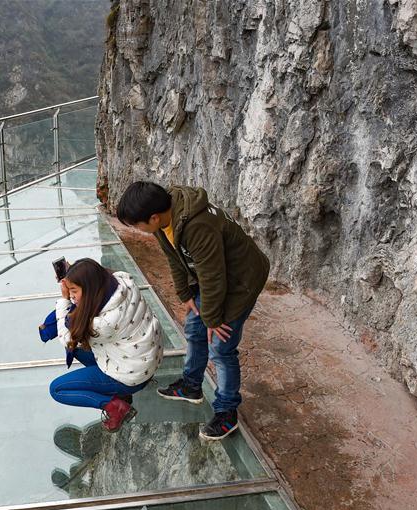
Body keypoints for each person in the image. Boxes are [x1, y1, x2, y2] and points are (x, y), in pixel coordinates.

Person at [116, 182, 269, 441]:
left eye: (136, 225)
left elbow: (214, 278)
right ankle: (191, 385)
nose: (136, 230)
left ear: (153, 217)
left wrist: (213, 319)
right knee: (194, 329)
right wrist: (185, 294)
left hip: (241, 281)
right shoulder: (166, 220)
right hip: (212, 277)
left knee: (221, 348)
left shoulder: (197, 226)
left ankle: (226, 411)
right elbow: (174, 258)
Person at [48, 258, 164, 432]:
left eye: (74, 291)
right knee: (79, 349)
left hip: (131, 377)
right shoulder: (121, 281)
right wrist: (75, 275)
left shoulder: (103, 324)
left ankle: (116, 407)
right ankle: (122, 395)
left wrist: (64, 301)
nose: (71, 295)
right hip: (144, 360)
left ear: (89, 289)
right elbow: (94, 278)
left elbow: (67, 339)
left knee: (57, 389)